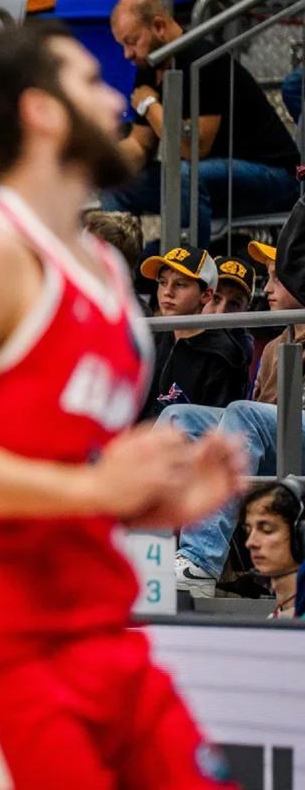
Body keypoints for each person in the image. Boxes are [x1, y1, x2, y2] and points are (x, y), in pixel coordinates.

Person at [0, 22, 243, 788]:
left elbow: (55, 467)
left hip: (96, 617)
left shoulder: (104, 267)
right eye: (88, 81)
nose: (114, 97)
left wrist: (147, 502)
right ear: (41, 111)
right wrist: (98, 490)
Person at [160, 239, 305, 598]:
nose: (268, 289)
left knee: (243, 412)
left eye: (278, 278)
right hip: (283, 447)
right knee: (177, 416)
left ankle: (199, 561)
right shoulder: (273, 347)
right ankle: (149, 552)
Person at [102, 0, 299, 248]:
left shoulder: (204, 60)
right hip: (207, 181)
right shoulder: (149, 68)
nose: (127, 54)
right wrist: (106, 164)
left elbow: (192, 148)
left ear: (159, 26)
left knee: (185, 175)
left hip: (272, 177)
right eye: (123, 45)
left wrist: (150, 105)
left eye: (132, 41)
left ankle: (189, 269)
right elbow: (140, 144)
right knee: (115, 184)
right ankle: (117, 269)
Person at [140, 246, 250, 418]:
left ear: (206, 295)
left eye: (180, 284)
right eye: (162, 282)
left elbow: (217, 427)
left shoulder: (223, 355)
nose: (167, 292)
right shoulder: (152, 337)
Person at [238, 481, 303, 619]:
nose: (250, 543)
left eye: (267, 530)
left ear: (301, 535)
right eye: (248, 530)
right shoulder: (275, 619)